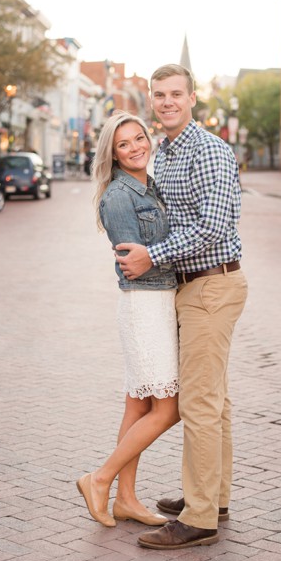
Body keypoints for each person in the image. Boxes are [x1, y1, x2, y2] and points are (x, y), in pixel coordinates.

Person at [115, 63, 248, 550]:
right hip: (188, 287)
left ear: (193, 98)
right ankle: (213, 496)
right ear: (152, 100)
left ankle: (199, 518)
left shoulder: (209, 150)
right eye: (159, 95)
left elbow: (212, 228)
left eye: (176, 94)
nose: (167, 102)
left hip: (213, 285)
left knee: (199, 402)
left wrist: (154, 254)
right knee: (216, 399)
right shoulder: (165, 153)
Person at [76, 111, 180, 528]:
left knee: (137, 407)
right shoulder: (119, 195)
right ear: (113, 154)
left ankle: (127, 499)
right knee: (168, 409)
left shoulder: (149, 185)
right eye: (124, 144)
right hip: (145, 306)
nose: (136, 147)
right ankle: (99, 479)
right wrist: (176, 254)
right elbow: (132, 265)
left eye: (140, 138)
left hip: (159, 303)